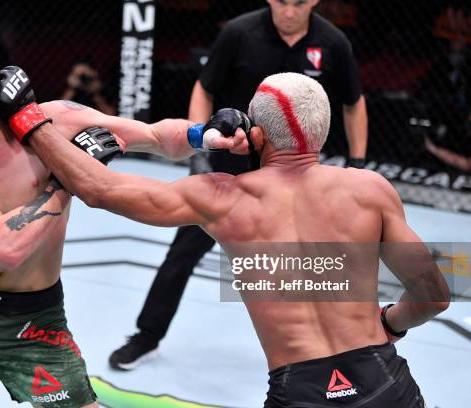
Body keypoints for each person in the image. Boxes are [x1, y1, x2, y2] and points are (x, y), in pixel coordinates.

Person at [10, 71, 449, 407]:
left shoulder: (223, 199)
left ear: (254, 134)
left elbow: (100, 190)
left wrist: (28, 117)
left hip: (301, 391)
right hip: (384, 381)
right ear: (324, 131)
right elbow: (433, 296)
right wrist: (390, 322)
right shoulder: (370, 190)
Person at [0, 17, 247, 408]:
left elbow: (156, 137)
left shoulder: (55, 121)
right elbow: (4, 246)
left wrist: (205, 135)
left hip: (36, 323)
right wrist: (69, 175)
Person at [109, 0, 369, 370]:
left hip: (296, 175)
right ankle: (147, 336)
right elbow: (204, 87)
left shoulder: (333, 42)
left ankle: (337, 351)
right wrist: (198, 143)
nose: (289, 10)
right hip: (229, 168)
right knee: (182, 251)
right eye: (282, 1)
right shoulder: (239, 32)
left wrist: (357, 164)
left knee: (319, 259)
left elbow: (354, 102)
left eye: (298, 3)